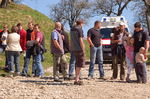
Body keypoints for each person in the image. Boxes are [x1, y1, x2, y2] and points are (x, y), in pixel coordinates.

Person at [70, 20, 85, 85]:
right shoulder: (79, 29)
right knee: (79, 64)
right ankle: (77, 79)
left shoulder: (72, 29)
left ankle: (77, 78)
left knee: (76, 63)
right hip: (79, 48)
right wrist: (83, 49)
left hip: (73, 48)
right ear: (81, 23)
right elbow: (81, 40)